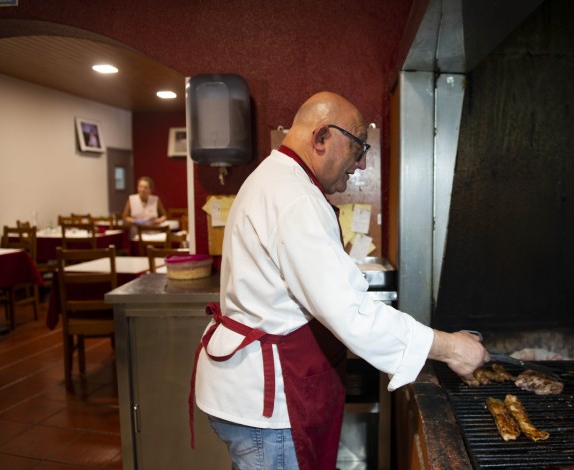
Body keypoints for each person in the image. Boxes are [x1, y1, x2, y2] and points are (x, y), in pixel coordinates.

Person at [190, 92, 488, 469]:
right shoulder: (293, 196)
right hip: (272, 404)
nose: (361, 164)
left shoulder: (275, 179)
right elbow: (353, 315)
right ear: (321, 138)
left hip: (255, 396)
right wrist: (451, 348)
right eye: (358, 146)